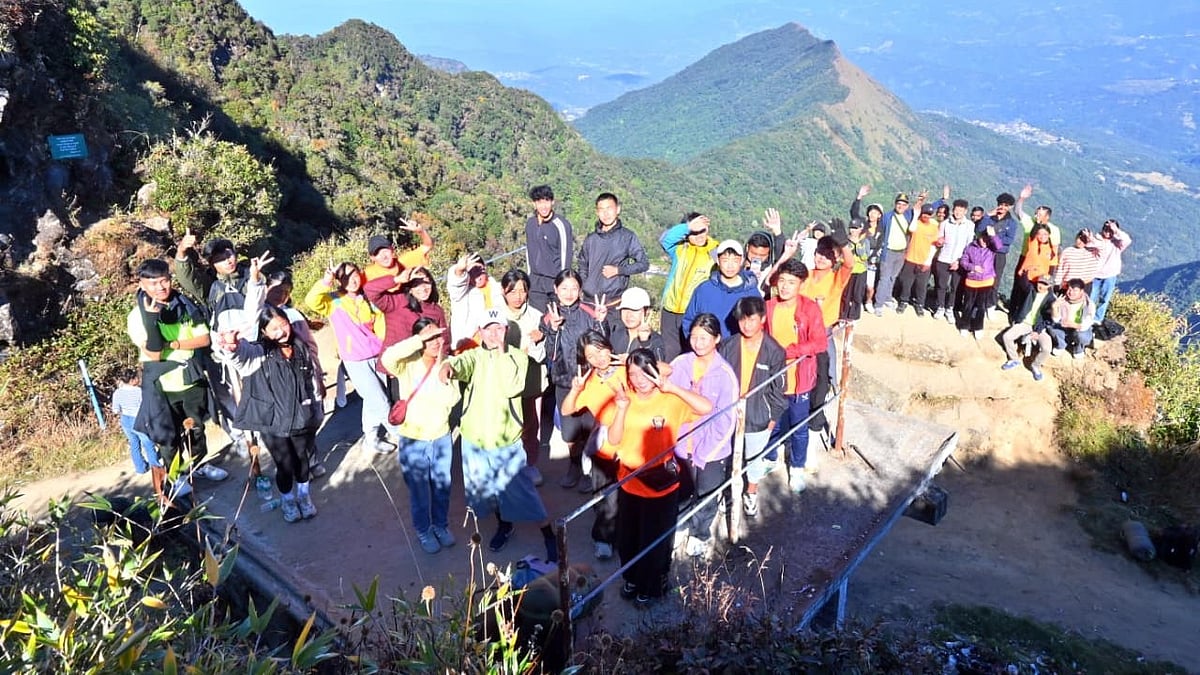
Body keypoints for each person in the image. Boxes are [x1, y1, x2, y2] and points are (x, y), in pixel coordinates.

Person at [439, 308, 557, 562]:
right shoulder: (474, 356)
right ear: (480, 332)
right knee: (487, 492)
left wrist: (502, 353)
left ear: (507, 331)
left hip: (505, 442)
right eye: (488, 329)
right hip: (474, 440)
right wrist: (448, 365)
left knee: (524, 493)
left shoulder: (518, 358)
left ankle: (549, 534)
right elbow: (461, 364)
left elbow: (511, 387)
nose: (493, 334)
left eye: (499, 328)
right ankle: (504, 525)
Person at [596, 348, 712, 605]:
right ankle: (632, 578)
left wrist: (672, 388)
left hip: (661, 487)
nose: (639, 379)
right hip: (630, 483)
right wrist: (622, 409)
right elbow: (613, 440)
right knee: (628, 539)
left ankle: (651, 587)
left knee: (656, 542)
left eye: (644, 372)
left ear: (655, 371)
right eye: (633, 373)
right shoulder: (624, 399)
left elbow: (706, 407)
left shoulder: (669, 399)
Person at [126, 258, 228, 497]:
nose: (160, 287)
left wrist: (173, 344)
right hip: (161, 386)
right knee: (167, 437)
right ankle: (176, 476)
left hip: (191, 379)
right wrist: (152, 321)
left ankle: (197, 466)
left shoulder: (184, 306)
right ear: (142, 285)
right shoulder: (137, 316)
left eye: (164, 281)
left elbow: (203, 339)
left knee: (196, 430)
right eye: (153, 283)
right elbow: (153, 353)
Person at [216, 305, 323, 523]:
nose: (281, 332)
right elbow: (241, 358)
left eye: (283, 325)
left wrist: (316, 405)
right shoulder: (260, 352)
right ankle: (287, 499)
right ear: (263, 332)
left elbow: (311, 379)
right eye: (274, 329)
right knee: (284, 464)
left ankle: (304, 497)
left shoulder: (300, 346)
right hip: (272, 420)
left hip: (300, 414)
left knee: (302, 460)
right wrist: (232, 348)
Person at [380, 320, 461, 554]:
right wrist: (419, 339)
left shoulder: (447, 364)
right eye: (428, 337)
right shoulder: (407, 364)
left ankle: (440, 526)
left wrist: (443, 373)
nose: (435, 342)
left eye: (438, 336)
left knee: (442, 487)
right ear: (418, 340)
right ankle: (423, 530)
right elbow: (387, 357)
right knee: (419, 492)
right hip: (413, 439)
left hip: (440, 438)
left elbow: (452, 399)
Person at [173, 232, 254, 459]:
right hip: (219, 351)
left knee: (259, 386)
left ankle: (263, 429)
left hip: (252, 345)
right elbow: (186, 276)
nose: (228, 260)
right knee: (226, 395)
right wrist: (182, 251)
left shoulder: (250, 274)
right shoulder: (209, 285)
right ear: (211, 263)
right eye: (220, 258)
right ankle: (239, 436)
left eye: (230, 254)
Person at [304, 261, 396, 454]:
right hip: (355, 361)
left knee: (373, 400)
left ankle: (371, 439)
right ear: (339, 280)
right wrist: (326, 280)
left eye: (353, 274)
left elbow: (381, 325)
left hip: (377, 355)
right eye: (344, 277)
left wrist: (387, 351)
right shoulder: (333, 301)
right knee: (380, 402)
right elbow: (311, 300)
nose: (351, 280)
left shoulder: (368, 297)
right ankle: (406, 440)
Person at [669, 314, 739, 559]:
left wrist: (705, 452)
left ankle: (700, 533)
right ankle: (680, 527)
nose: (698, 343)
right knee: (680, 493)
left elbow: (726, 420)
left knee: (706, 494)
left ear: (717, 339)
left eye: (704, 338)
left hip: (711, 450)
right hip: (680, 445)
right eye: (694, 337)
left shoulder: (725, 374)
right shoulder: (680, 364)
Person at [558, 330, 625, 560]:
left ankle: (622, 535)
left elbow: (665, 371)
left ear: (609, 347)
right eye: (591, 356)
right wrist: (575, 390)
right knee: (605, 496)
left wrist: (630, 358)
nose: (598, 358)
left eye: (601, 350)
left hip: (632, 441)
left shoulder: (627, 369)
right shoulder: (588, 382)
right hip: (604, 445)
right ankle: (603, 538)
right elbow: (566, 409)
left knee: (629, 495)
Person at [719, 297, 786, 518]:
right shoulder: (728, 346)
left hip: (759, 415)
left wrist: (773, 417)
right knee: (728, 457)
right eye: (742, 320)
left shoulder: (774, 351)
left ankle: (751, 492)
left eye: (752, 319)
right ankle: (728, 493)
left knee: (754, 459)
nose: (746, 325)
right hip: (729, 413)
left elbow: (779, 388)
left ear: (763, 319)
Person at [765, 258, 827, 493]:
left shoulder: (809, 309)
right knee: (771, 422)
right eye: (782, 281)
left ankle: (797, 467)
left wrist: (789, 351)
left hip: (799, 379)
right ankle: (770, 457)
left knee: (799, 426)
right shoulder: (769, 307)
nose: (785, 287)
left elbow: (820, 343)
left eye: (791, 282)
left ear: (801, 284)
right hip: (773, 379)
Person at [543, 270, 607, 491]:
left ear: (580, 290)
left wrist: (601, 322)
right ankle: (574, 465)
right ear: (556, 289)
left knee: (590, 428)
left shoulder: (590, 311)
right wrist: (553, 329)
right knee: (569, 432)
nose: (569, 293)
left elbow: (603, 346)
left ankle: (589, 470)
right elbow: (551, 354)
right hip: (564, 382)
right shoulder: (550, 316)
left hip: (590, 382)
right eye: (564, 288)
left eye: (574, 288)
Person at [498, 269, 549, 486]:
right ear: (503, 291)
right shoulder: (495, 316)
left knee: (530, 425)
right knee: (505, 424)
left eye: (522, 290)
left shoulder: (537, 316)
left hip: (531, 380)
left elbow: (542, 354)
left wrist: (538, 342)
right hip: (502, 382)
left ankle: (530, 464)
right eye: (513, 291)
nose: (518, 296)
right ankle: (506, 466)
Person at [365, 265, 450, 371]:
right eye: (416, 284)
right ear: (409, 289)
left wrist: (441, 363)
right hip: (396, 366)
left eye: (426, 282)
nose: (423, 288)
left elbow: (444, 340)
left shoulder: (436, 310)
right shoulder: (396, 302)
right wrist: (397, 279)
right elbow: (370, 289)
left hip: (422, 369)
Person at [659, 212, 717, 359]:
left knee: (691, 354)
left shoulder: (715, 252)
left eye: (702, 230)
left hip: (693, 313)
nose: (699, 236)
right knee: (669, 353)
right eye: (694, 232)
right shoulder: (680, 249)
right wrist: (687, 227)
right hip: (670, 310)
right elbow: (665, 240)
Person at [577, 192, 649, 307]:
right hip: (589, 302)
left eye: (609, 208)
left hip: (614, 302)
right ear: (597, 212)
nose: (606, 214)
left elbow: (644, 264)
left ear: (618, 209)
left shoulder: (627, 237)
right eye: (601, 209)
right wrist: (584, 285)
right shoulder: (591, 239)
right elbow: (582, 264)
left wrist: (619, 270)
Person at [682, 239, 762, 339]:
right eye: (725, 260)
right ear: (718, 261)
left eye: (735, 260)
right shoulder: (704, 289)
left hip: (739, 347)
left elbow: (759, 324)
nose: (730, 266)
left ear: (741, 261)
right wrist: (697, 343)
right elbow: (689, 320)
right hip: (708, 347)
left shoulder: (751, 292)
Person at [111, 367, 165, 498]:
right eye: (136, 377)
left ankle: (140, 468)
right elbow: (146, 407)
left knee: (134, 444)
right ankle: (155, 466)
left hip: (125, 420)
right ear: (132, 379)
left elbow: (115, 410)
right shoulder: (139, 391)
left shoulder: (117, 393)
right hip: (139, 419)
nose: (138, 379)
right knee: (148, 443)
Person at [874, 189, 927, 313]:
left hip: (901, 252)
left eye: (904, 204)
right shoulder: (887, 217)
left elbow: (918, 209)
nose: (901, 206)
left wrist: (922, 200)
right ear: (895, 204)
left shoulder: (907, 215)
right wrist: (877, 248)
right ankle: (878, 304)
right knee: (884, 278)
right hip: (888, 251)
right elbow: (879, 231)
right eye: (899, 203)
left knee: (893, 277)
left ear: (907, 206)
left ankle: (887, 298)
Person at [524, 185, 575, 312]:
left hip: (554, 282)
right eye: (539, 202)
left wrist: (562, 285)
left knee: (557, 318)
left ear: (552, 202)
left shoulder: (561, 225)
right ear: (534, 204)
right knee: (537, 318)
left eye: (546, 201)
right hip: (535, 283)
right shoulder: (530, 224)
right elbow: (529, 251)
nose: (544, 206)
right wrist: (530, 277)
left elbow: (566, 257)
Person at [1000, 276, 1057, 381]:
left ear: (1050, 286)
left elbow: (1048, 320)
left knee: (1046, 348)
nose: (1041, 286)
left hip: (1040, 327)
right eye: (1040, 282)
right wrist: (1025, 272)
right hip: (1025, 323)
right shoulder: (1030, 290)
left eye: (1045, 284)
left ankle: (1036, 366)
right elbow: (1023, 282)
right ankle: (1014, 359)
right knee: (1007, 336)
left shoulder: (1052, 300)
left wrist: (1037, 331)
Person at [446, 252, 505, 351]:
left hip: (497, 345)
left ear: (485, 268)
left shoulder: (499, 289)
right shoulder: (462, 293)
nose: (476, 275)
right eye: (471, 271)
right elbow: (455, 286)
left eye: (478, 269)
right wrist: (459, 270)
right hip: (468, 348)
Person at [894, 203, 942, 316]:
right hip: (910, 258)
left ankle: (919, 303)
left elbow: (934, 246)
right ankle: (903, 301)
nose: (926, 216)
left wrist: (928, 261)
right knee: (906, 282)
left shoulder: (934, 227)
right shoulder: (916, 223)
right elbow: (911, 229)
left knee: (922, 285)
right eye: (925, 213)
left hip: (924, 260)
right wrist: (916, 215)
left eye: (929, 214)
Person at [932, 199, 975, 323]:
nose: (958, 213)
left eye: (961, 210)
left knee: (954, 287)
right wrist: (939, 242)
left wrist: (959, 261)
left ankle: (949, 308)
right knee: (941, 285)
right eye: (956, 210)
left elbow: (969, 245)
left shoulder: (969, 225)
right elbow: (939, 238)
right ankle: (940, 307)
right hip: (943, 258)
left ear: (965, 211)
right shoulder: (945, 223)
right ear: (953, 209)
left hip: (959, 261)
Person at [977, 192, 1021, 310]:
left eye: (1006, 205)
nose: (1002, 207)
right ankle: (978, 303)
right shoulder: (990, 218)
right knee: (981, 276)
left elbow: (1009, 240)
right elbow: (979, 229)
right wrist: (987, 216)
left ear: (1010, 207)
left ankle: (990, 304)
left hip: (999, 254)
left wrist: (994, 237)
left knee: (995, 280)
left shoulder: (1011, 223)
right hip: (986, 252)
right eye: (1001, 204)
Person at [957, 227, 1002, 340]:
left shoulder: (991, 248)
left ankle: (978, 327)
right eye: (983, 238)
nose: (985, 241)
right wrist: (973, 267)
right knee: (968, 305)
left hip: (986, 281)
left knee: (981, 306)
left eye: (987, 239)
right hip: (972, 281)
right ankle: (964, 326)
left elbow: (999, 246)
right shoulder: (970, 247)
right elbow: (963, 261)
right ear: (978, 237)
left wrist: (993, 235)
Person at [1010, 223, 1058, 321]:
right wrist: (1038, 223)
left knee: (1030, 300)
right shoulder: (1033, 242)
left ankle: (1022, 318)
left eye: (1045, 234)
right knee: (1022, 296)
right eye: (1040, 234)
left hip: (1040, 280)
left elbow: (1052, 266)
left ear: (1049, 235)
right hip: (1027, 276)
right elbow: (1033, 232)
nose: (1042, 236)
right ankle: (1014, 316)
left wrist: (1049, 282)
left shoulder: (1052, 249)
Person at [1089, 219, 1132, 326]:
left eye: (1110, 229)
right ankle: (1088, 317)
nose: (1108, 231)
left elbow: (1127, 240)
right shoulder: (1096, 239)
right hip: (1095, 274)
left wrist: (1116, 230)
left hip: (1110, 274)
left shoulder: (1117, 243)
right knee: (1091, 298)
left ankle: (1097, 319)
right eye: (1106, 228)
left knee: (1105, 298)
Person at [849, 187, 886, 313]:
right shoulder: (863, 224)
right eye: (871, 211)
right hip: (858, 258)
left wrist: (873, 257)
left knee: (869, 286)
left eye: (875, 212)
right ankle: (856, 301)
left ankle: (868, 301)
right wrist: (859, 197)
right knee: (857, 283)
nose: (872, 214)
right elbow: (854, 213)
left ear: (880, 215)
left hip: (871, 261)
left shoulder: (881, 230)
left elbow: (880, 245)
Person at [609, 286, 667, 362]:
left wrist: (645, 343)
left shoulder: (655, 340)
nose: (629, 315)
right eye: (625, 309)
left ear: (646, 312)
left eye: (635, 310)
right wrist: (600, 321)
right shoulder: (616, 335)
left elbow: (658, 365)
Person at [362, 220, 435, 281]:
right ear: (372, 258)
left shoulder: (404, 261)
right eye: (377, 254)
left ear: (392, 249)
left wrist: (421, 231)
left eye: (385, 251)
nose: (383, 256)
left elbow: (427, 246)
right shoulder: (367, 274)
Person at [1048, 278, 1096, 359]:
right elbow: (1056, 320)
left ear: (1081, 291)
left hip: (1079, 328)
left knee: (1083, 336)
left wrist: (1073, 325)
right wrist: (1054, 307)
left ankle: (1079, 348)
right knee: (1051, 326)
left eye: (1075, 290)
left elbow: (1086, 324)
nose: (1071, 293)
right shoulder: (1062, 300)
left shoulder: (1089, 304)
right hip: (1064, 327)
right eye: (1069, 289)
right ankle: (1061, 344)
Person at [839, 218, 874, 321]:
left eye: (855, 228)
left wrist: (859, 248)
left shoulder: (865, 241)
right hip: (848, 270)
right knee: (846, 294)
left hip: (860, 271)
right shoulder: (845, 241)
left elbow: (865, 256)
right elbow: (840, 255)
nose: (853, 230)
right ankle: (843, 314)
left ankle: (854, 315)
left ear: (860, 229)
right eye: (851, 228)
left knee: (857, 294)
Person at [1054, 229, 1101, 294]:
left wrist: (1092, 239)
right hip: (1067, 285)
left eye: (1084, 240)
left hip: (1085, 285)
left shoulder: (1094, 252)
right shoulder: (1067, 251)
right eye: (1080, 238)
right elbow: (1060, 269)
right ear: (1076, 237)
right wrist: (1057, 283)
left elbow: (1103, 248)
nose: (1081, 242)